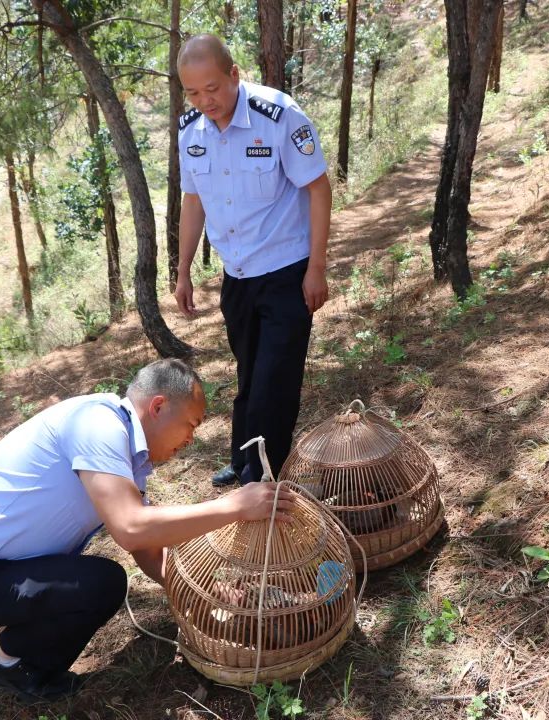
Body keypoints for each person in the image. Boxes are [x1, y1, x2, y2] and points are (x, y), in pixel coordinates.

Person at [0, 359, 293, 702]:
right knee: (100, 583)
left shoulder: (122, 445)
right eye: (190, 425)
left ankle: (13, 652)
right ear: (158, 406)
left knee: (98, 581)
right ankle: (9, 659)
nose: (190, 439)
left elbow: (144, 546)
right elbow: (130, 528)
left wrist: (202, 592)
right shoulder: (98, 424)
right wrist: (232, 507)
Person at [173, 34, 332, 488]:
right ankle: (243, 460)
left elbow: (318, 189)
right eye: (193, 92)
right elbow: (193, 201)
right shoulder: (192, 130)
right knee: (248, 374)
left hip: (286, 272)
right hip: (237, 277)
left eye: (213, 88)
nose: (206, 100)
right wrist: (183, 270)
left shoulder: (278, 116)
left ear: (234, 75)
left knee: (274, 383)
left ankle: (262, 479)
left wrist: (316, 267)